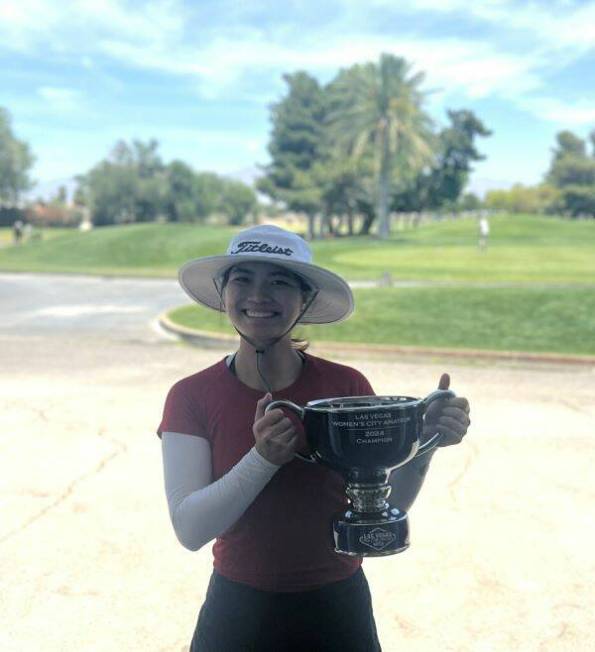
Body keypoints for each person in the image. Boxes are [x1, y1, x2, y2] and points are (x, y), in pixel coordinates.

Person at [157, 225, 471, 651]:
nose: (258, 295)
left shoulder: (346, 386)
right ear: (222, 291)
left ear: (305, 299)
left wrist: (423, 445)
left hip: (337, 605)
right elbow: (190, 528)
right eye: (242, 279)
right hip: (238, 608)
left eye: (280, 282)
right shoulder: (191, 396)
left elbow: (382, 501)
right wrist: (262, 459)